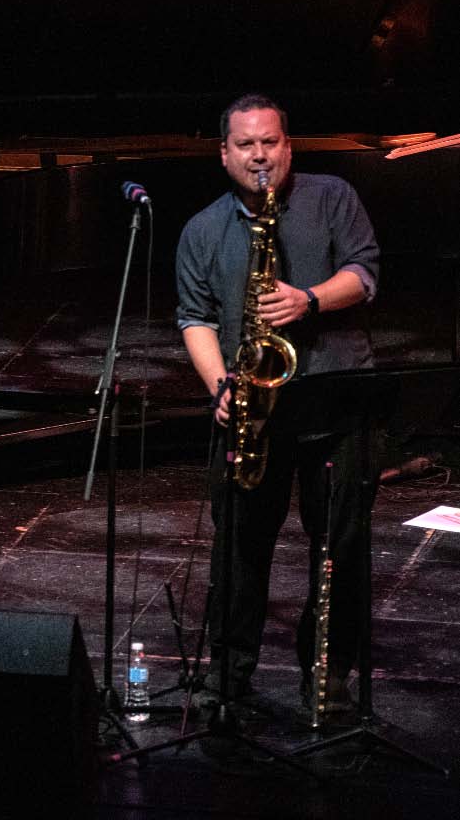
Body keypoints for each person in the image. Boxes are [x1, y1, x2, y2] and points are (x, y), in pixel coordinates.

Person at [175, 93, 381, 711]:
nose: (259, 156)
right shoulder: (204, 229)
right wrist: (222, 388)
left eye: (270, 143)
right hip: (253, 407)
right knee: (238, 548)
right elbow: (195, 317)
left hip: (335, 397)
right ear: (224, 154)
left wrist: (309, 299)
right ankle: (229, 675)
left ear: (288, 148)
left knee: (339, 546)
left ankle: (329, 673)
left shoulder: (332, 198)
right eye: (246, 145)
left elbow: (366, 273)